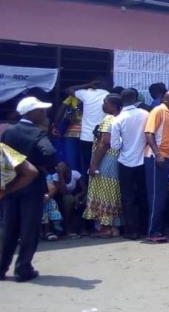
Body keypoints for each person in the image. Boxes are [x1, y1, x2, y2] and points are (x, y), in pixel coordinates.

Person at [0, 97, 57, 282]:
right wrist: (42, 166)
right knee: (29, 229)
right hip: (32, 187)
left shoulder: (8, 132)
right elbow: (50, 154)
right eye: (40, 110)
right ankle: (23, 269)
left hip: (10, 184)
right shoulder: (37, 133)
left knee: (9, 228)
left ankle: (1, 268)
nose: (44, 113)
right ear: (30, 113)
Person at [83, 94, 124, 238]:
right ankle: (114, 227)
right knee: (113, 191)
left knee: (104, 191)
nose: (103, 105)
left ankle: (107, 227)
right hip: (117, 159)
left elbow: (105, 142)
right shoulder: (123, 117)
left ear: (112, 105)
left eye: (105, 102)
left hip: (106, 159)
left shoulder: (109, 119)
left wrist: (94, 164)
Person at [143, 90, 169, 243]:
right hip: (156, 158)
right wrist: (157, 154)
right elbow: (149, 133)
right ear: (168, 99)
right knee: (156, 196)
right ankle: (152, 232)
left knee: (164, 195)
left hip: (167, 157)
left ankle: (160, 228)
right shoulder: (158, 111)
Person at [112, 88, 149, 239]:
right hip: (143, 160)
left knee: (127, 197)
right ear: (135, 98)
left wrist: (124, 143)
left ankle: (132, 231)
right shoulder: (146, 114)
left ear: (122, 100)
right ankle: (146, 228)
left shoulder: (118, 119)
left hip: (125, 161)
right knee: (143, 194)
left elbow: (114, 146)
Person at [67, 79, 111, 182]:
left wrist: (87, 84)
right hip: (102, 138)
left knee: (86, 167)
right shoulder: (109, 96)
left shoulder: (86, 93)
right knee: (101, 167)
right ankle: (98, 193)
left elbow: (69, 89)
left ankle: (87, 192)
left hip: (86, 137)